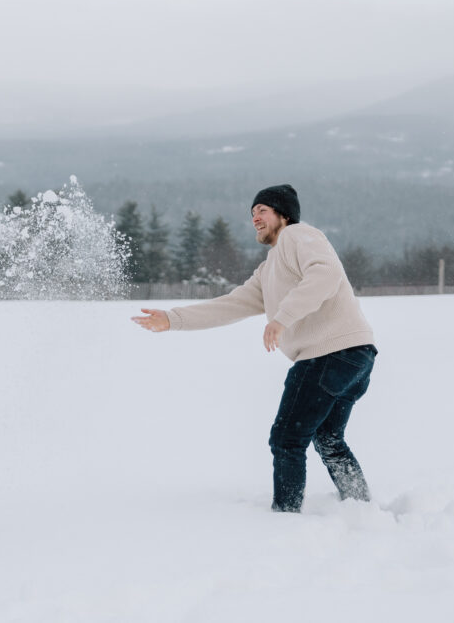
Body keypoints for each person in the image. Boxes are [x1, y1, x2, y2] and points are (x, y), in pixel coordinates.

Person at [132, 185, 377, 513]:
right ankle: (362, 508)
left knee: (286, 439)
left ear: (283, 214)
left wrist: (282, 318)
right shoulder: (270, 268)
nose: (255, 218)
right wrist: (173, 319)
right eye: (252, 213)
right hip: (354, 356)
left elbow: (325, 274)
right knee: (328, 438)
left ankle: (285, 518)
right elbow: (231, 304)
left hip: (328, 355)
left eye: (262, 210)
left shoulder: (298, 236)